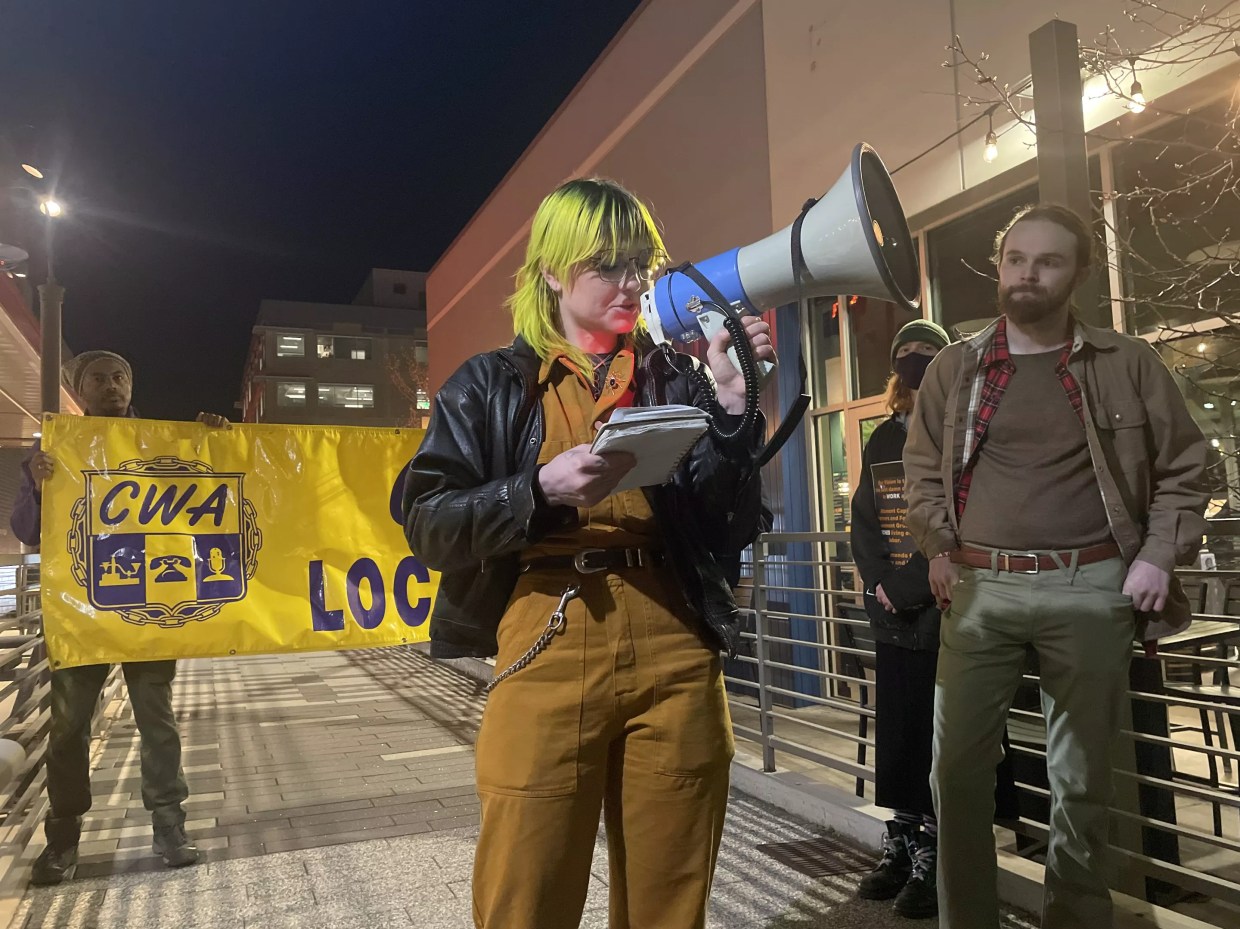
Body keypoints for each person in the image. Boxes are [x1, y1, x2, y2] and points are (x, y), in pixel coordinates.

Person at [402, 177, 773, 929]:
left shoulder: (680, 373)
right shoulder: (488, 385)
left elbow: (729, 523)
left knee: (671, 894)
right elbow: (427, 520)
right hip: (545, 629)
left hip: (673, 636)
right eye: (609, 264)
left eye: (641, 263)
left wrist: (734, 408)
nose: (633, 282)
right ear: (550, 270)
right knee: (525, 888)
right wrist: (534, 490)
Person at [903, 204, 1209, 929]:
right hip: (979, 587)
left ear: (1077, 274)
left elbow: (1189, 467)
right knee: (956, 774)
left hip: (1093, 584)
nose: (1027, 275)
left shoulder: (1126, 361)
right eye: (1016, 259)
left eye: (1048, 262)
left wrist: (1160, 556)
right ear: (1000, 264)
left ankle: (1076, 918)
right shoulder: (958, 366)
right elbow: (918, 473)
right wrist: (938, 544)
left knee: (1081, 780)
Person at [11, 350, 230, 885]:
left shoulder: (165, 439)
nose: (111, 386)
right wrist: (41, 488)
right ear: (78, 391)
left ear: (131, 386)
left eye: (119, 377)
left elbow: (210, 482)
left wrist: (217, 439)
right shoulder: (52, 448)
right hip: (83, 612)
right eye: (97, 379)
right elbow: (26, 530)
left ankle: (169, 826)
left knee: (158, 723)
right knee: (67, 731)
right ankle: (62, 840)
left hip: (152, 607)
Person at [850, 320, 1021, 920]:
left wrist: (905, 587)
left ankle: (933, 852)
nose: (916, 363)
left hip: (946, 608)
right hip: (894, 621)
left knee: (940, 740)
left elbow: (965, 518)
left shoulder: (966, 434)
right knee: (899, 738)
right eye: (907, 356)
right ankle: (900, 845)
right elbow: (865, 521)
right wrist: (877, 586)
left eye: (928, 353)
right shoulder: (880, 439)